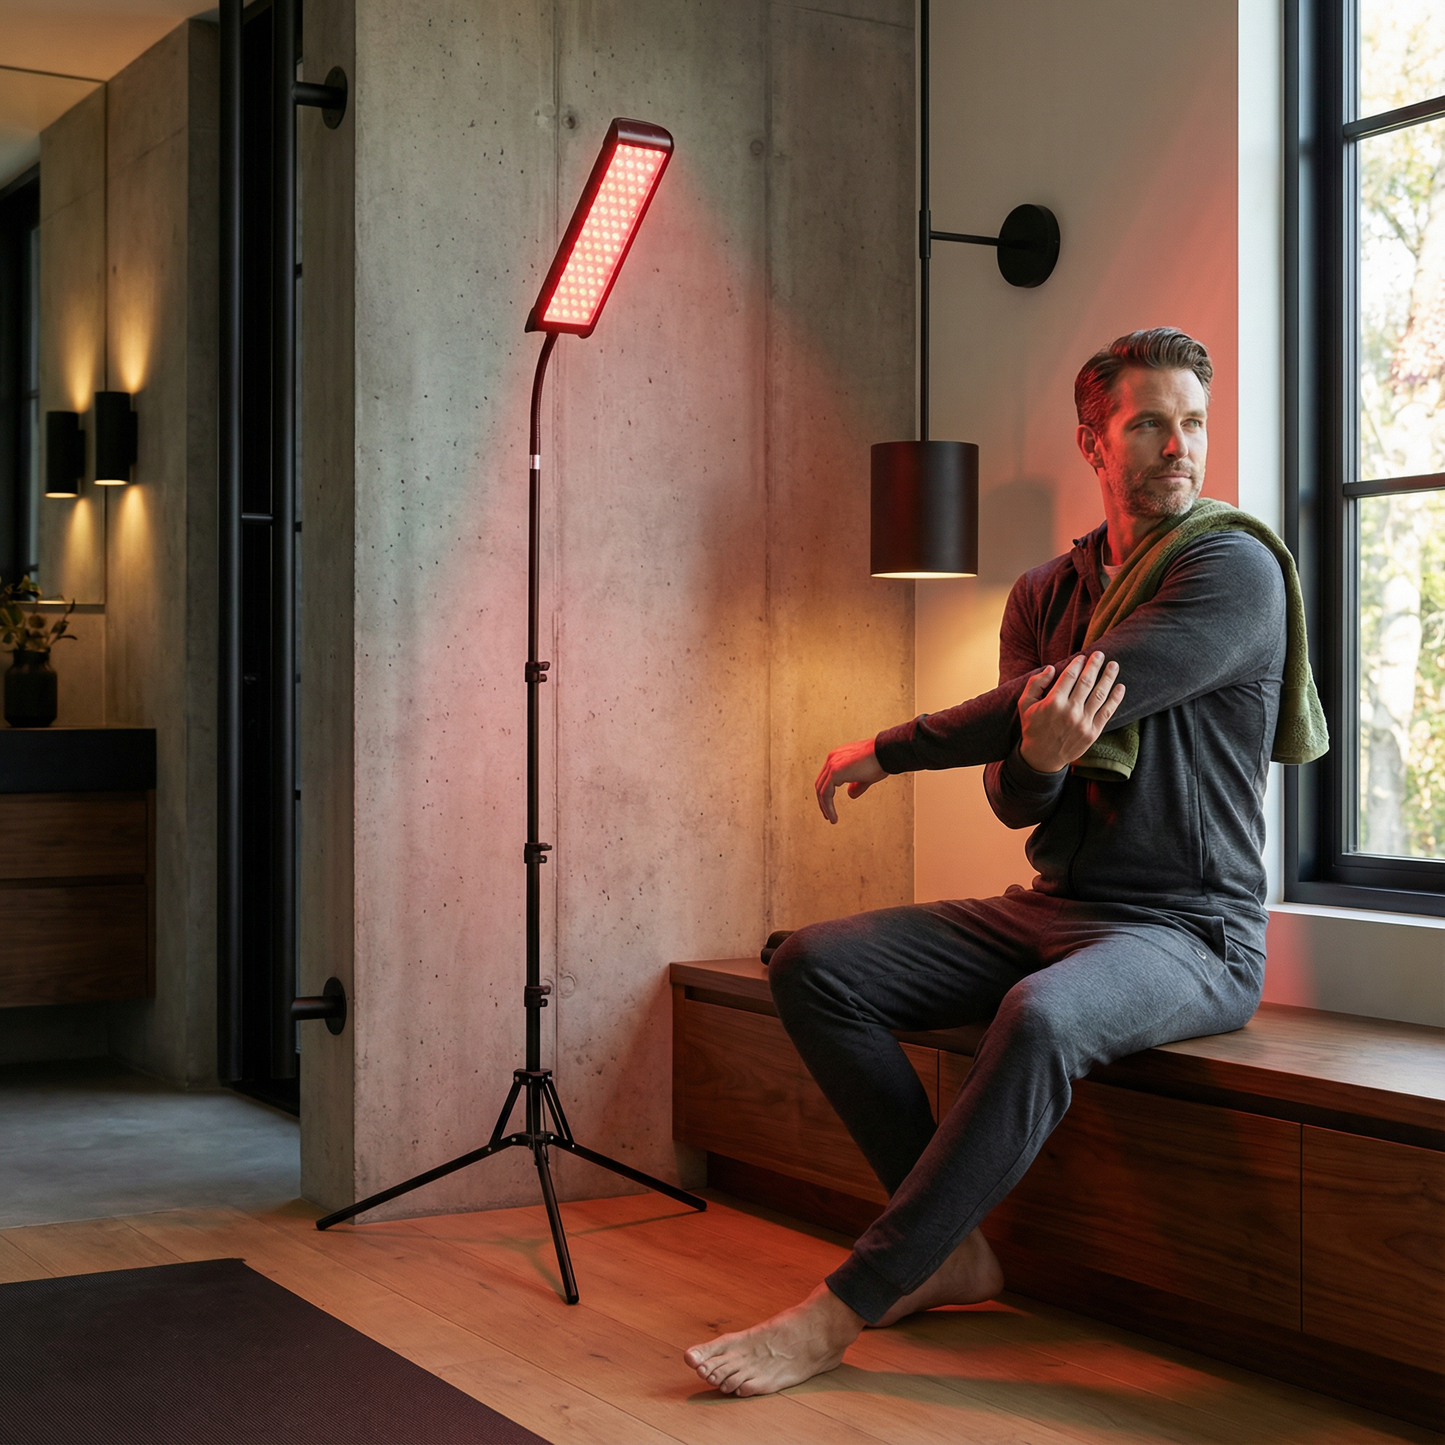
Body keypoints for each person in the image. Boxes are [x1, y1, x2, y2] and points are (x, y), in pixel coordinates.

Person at [683, 327, 1296, 1396]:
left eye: (1193, 422)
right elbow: (1015, 795)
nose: (1177, 447)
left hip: (1191, 932)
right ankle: (947, 1249)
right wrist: (1041, 761)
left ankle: (844, 1305)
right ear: (1092, 441)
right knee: (812, 963)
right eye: (1148, 423)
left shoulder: (1230, 566)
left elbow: (1056, 694)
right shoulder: (1042, 592)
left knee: (1041, 1014)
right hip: (1057, 905)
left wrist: (888, 747)